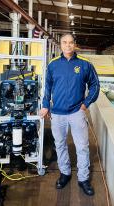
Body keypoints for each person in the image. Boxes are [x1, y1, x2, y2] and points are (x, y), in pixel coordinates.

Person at [40, 33, 100, 196]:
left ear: (75, 45)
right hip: (57, 113)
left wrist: (86, 104)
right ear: (60, 45)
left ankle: (83, 178)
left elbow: (95, 85)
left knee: (82, 147)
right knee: (60, 145)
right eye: (64, 43)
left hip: (76, 112)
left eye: (70, 43)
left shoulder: (85, 64)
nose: (67, 45)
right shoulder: (52, 65)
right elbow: (47, 87)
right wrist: (46, 105)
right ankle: (65, 173)